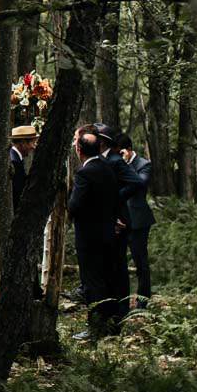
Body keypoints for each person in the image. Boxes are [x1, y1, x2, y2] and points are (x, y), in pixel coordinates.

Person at [68, 125, 130, 337]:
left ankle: (95, 327)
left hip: (89, 237)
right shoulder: (107, 167)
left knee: (92, 282)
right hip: (108, 234)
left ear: (79, 150)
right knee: (107, 279)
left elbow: (75, 205)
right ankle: (111, 325)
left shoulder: (84, 173)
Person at [105, 126, 155, 305]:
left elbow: (140, 183)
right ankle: (120, 302)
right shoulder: (115, 164)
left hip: (138, 220)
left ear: (129, 149)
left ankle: (143, 302)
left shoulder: (144, 164)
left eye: (121, 152)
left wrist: (125, 166)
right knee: (118, 262)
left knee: (140, 262)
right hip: (120, 219)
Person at [9, 124, 39, 207]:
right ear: (22, 143)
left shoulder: (16, 158)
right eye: (33, 143)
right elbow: (17, 192)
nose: (34, 147)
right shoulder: (14, 162)